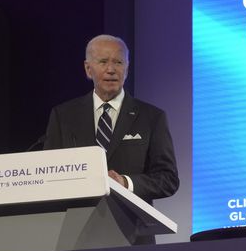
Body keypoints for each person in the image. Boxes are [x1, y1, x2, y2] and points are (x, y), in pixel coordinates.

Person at [44, 34, 179, 203]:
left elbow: (168, 179)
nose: (111, 69)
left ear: (127, 69)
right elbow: (49, 175)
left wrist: (125, 182)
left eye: (118, 62)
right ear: (88, 69)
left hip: (131, 224)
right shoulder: (63, 116)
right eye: (103, 62)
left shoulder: (152, 117)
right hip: (77, 222)